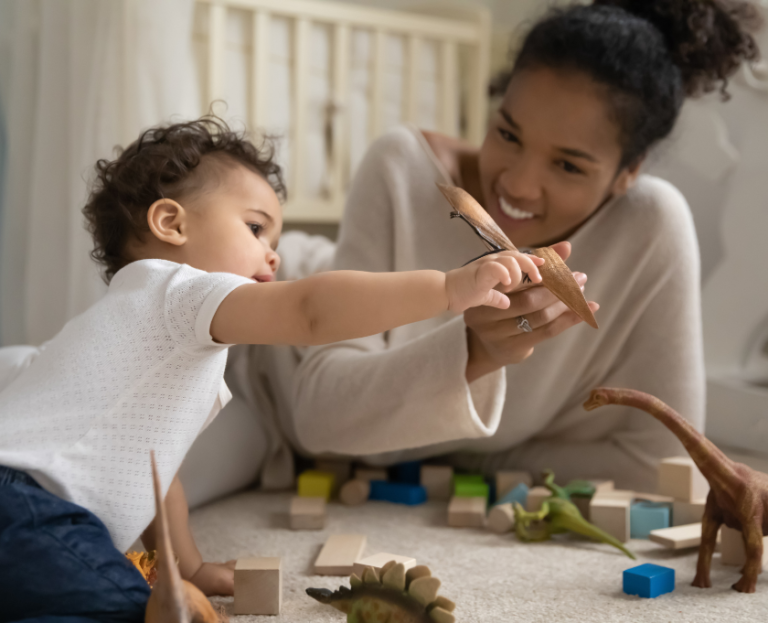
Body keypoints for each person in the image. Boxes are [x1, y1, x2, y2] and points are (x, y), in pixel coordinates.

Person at [0, 116, 539, 622]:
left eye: (275, 243)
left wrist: (186, 566)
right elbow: (311, 311)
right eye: (256, 229)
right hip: (28, 508)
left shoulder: (129, 330)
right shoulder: (178, 293)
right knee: (126, 608)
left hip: (27, 515)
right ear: (170, 223)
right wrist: (447, 289)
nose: (274, 256)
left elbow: (156, 479)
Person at [288, 0, 761, 491]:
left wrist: (471, 457)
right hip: (259, 341)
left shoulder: (650, 225)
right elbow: (317, 422)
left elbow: (665, 466)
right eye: (508, 133)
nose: (517, 185)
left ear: (630, 171)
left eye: (568, 165)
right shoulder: (402, 170)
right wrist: (474, 352)